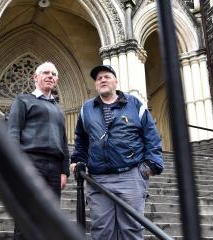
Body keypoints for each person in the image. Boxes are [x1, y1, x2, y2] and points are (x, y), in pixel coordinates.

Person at [70, 65, 164, 240]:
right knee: (102, 230)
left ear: (116, 81)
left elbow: (151, 136)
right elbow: (81, 140)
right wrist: (78, 160)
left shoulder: (134, 104)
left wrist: (150, 166)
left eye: (106, 76)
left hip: (130, 176)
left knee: (132, 230)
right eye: (98, 79)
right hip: (98, 179)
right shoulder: (87, 109)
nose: (102, 80)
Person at [7, 62, 69, 240]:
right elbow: (13, 133)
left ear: (56, 80)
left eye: (54, 74)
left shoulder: (59, 109)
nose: (50, 76)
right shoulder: (23, 101)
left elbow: (64, 141)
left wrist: (64, 171)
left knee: (50, 216)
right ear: (35, 77)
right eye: (46, 73)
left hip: (54, 168)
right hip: (30, 162)